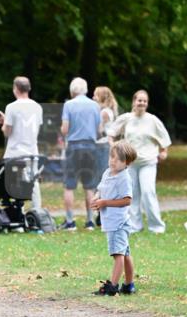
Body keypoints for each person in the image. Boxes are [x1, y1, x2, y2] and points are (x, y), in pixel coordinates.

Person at [108, 90, 172, 235]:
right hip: (130, 163)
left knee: (148, 192)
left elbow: (164, 139)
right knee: (132, 195)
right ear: (134, 102)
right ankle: (135, 226)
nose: (141, 103)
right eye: (139, 100)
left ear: (147, 104)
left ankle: (156, 227)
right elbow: (111, 132)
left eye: (144, 101)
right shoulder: (127, 118)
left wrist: (164, 152)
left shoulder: (153, 120)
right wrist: (113, 145)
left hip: (148, 161)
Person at [90, 141, 138, 296]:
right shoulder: (107, 173)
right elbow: (101, 190)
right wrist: (97, 198)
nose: (112, 161)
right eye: (111, 157)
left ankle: (113, 287)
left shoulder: (124, 178)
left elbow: (127, 200)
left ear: (127, 163)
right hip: (110, 221)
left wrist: (105, 202)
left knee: (118, 255)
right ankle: (129, 285)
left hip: (118, 223)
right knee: (125, 254)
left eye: (118, 159)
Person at [59, 77, 101, 231]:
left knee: (69, 186)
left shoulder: (68, 105)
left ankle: (70, 222)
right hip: (90, 147)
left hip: (74, 147)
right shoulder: (95, 106)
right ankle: (90, 221)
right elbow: (99, 129)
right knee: (89, 186)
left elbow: (64, 129)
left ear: (72, 91)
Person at [0, 76, 43, 209]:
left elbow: (7, 132)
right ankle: (37, 212)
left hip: (15, 151)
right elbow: (36, 128)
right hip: (32, 151)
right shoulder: (37, 107)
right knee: (34, 183)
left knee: (15, 183)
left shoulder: (11, 107)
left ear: (16, 89)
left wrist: (3, 123)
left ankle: (19, 213)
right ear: (29, 88)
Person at [93, 85, 119, 181]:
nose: (93, 98)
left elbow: (99, 130)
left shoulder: (104, 112)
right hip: (103, 145)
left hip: (102, 145)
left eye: (95, 95)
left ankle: (102, 195)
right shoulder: (105, 111)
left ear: (101, 97)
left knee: (101, 173)